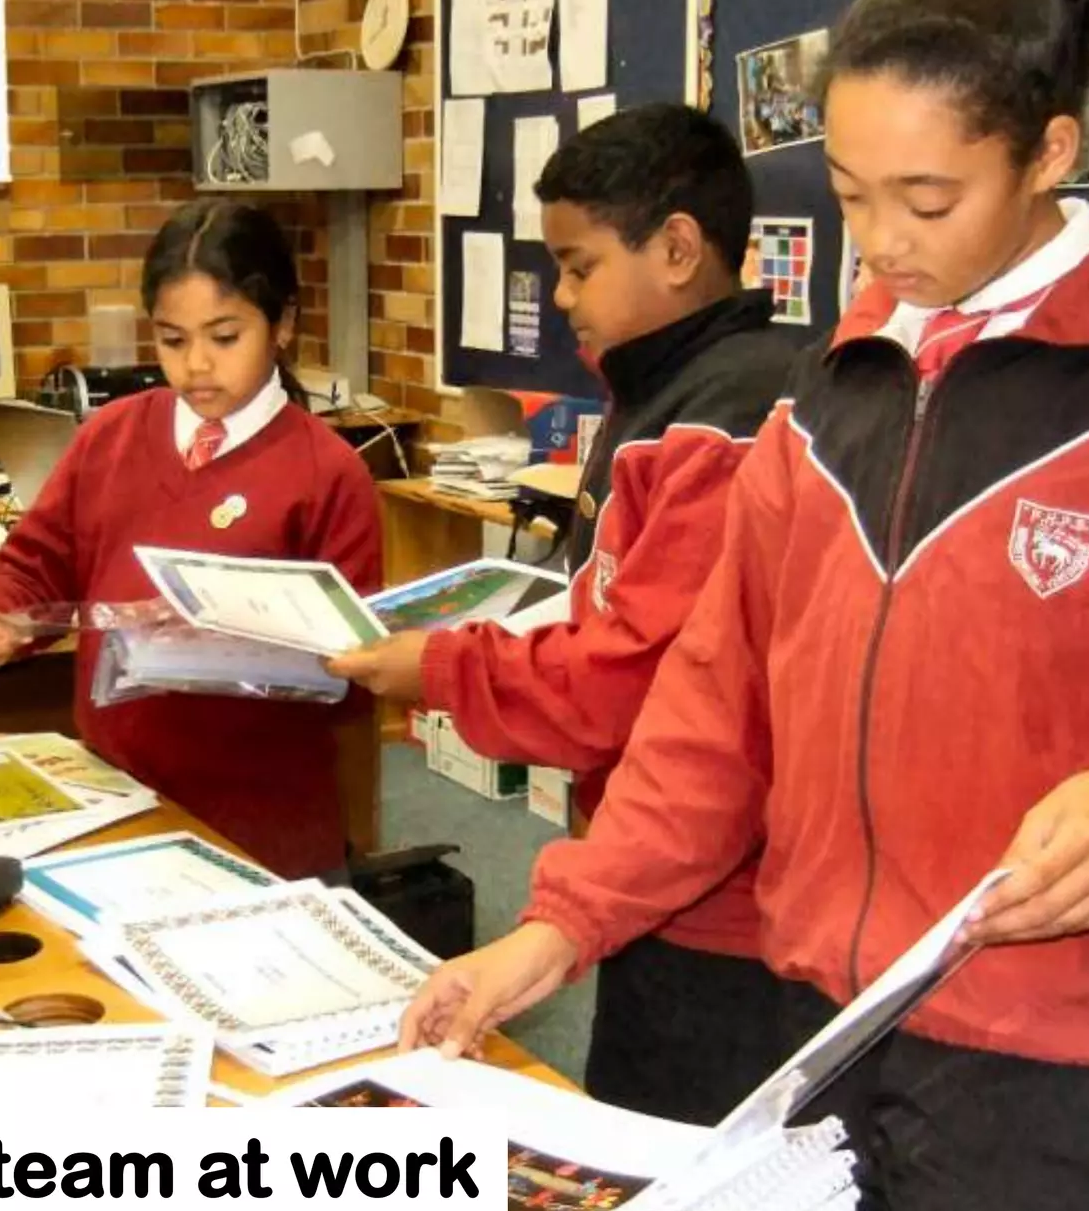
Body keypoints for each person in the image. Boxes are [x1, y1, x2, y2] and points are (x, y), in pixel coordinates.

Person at [399, 0, 1089, 1211]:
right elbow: (714, 712)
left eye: (927, 199)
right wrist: (560, 922)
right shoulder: (833, 390)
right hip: (812, 1010)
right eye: (847, 196)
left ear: (1052, 152)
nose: (881, 246)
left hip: (1034, 1042)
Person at [329, 105, 799, 1123]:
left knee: (684, 1184)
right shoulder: (665, 387)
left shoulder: (719, 422)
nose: (560, 295)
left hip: (717, 902)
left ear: (677, 248)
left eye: (578, 266)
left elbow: (627, 687)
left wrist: (443, 672)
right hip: (650, 873)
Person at [0, 199, 382, 878]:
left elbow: (359, 677)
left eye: (224, 337)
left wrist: (231, 648)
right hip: (116, 796)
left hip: (262, 821)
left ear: (284, 324)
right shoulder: (111, 436)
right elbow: (37, 565)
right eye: (173, 341)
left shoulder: (327, 472)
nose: (197, 365)